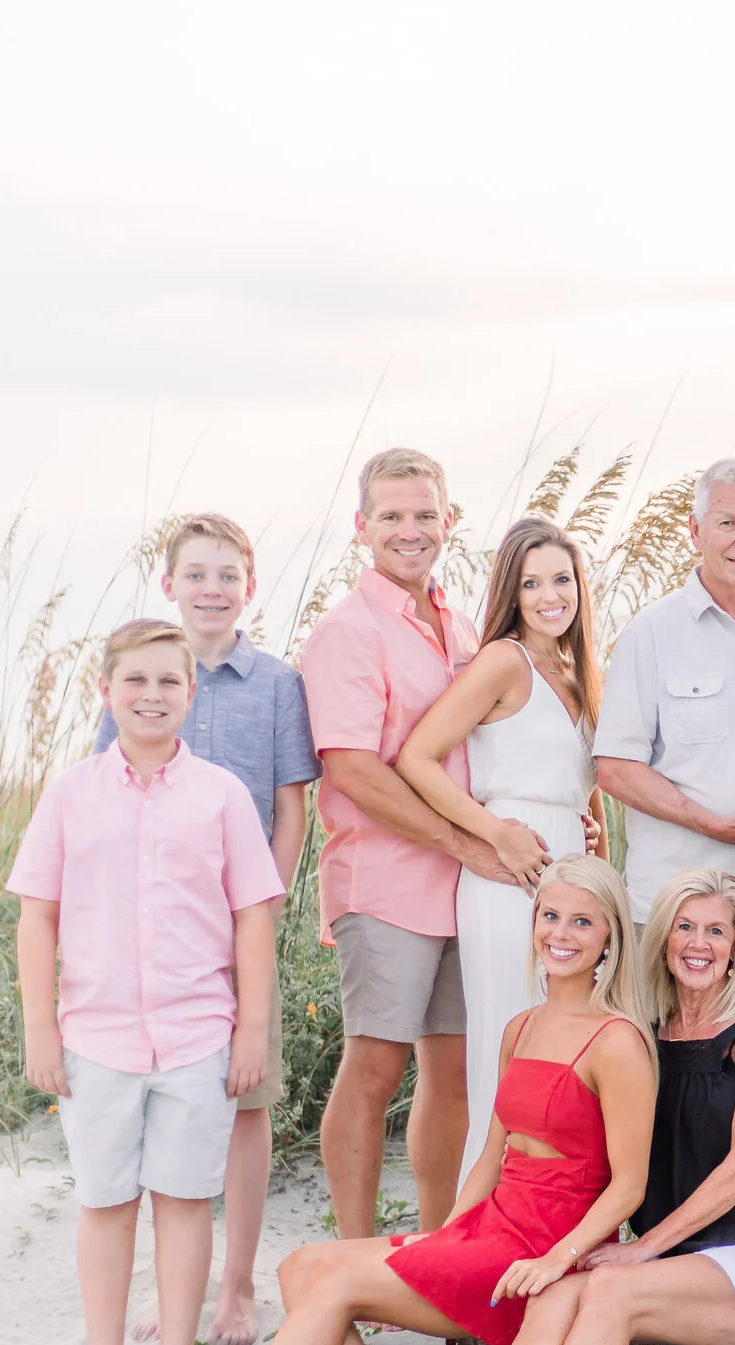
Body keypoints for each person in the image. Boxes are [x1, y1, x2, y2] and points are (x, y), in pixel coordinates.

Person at [123, 856, 654, 1345]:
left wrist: (556, 1261)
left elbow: (629, 1187)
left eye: (582, 922)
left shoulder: (618, 1041)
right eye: (550, 916)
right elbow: (492, 1154)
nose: (561, 934)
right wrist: (449, 1235)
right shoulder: (523, 1027)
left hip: (540, 1253)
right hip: (492, 1228)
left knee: (335, 1282)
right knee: (299, 1267)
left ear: (610, 935)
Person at [390, 869, 735, 1345]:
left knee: (610, 1288)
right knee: (558, 1285)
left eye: (716, 931)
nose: (699, 944)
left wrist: (642, 1246)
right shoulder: (645, 1034)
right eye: (685, 927)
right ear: (662, 939)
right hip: (679, 1262)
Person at [11, 619, 285, 1345]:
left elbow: (253, 917)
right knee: (105, 1203)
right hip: (96, 1039)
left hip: (197, 1035)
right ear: (106, 691)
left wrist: (251, 1030)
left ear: (191, 693)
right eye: (135, 680)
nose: (152, 695)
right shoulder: (69, 794)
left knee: (185, 1199)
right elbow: (37, 916)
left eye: (169, 681)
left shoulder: (222, 795)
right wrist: (39, 1029)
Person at [89, 514, 318, 1345]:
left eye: (227, 575)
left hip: (241, 925)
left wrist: (268, 903)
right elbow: (106, 795)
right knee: (163, 1104)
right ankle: (173, 1282)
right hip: (158, 935)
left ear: (248, 586)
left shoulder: (277, 684)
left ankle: (237, 1286)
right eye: (196, 574)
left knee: (243, 1099)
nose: (212, 589)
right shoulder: (145, 679)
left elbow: (291, 806)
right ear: (170, 584)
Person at [300, 447, 497, 1238]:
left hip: (464, 889)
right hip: (384, 883)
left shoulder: (462, 624)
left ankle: (437, 1243)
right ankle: (354, 1252)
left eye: (424, 515)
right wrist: (461, 838)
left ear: (449, 521)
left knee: (452, 1073)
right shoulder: (348, 632)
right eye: (391, 516)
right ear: (362, 526)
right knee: (377, 1066)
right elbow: (353, 769)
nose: (409, 530)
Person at [395, 515, 604, 1181]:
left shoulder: (578, 671)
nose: (549, 596)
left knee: (563, 1043)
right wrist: (495, 832)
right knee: (509, 1041)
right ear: (511, 592)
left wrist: (592, 836)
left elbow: (585, 780)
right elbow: (417, 758)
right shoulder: (503, 661)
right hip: (512, 871)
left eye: (562, 580)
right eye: (532, 583)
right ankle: (484, 1206)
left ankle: (549, 1198)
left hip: (571, 871)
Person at [593, 456, 735, 1068]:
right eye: (728, 523)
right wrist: (714, 826)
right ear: (695, 531)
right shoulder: (651, 634)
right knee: (665, 1083)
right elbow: (615, 767)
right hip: (676, 917)